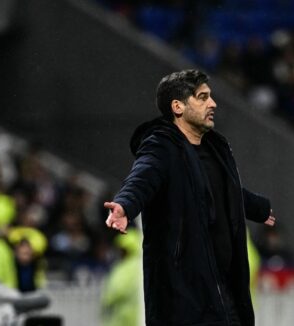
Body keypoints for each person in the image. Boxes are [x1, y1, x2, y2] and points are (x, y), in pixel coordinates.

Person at [104, 69, 276, 326]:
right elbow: (142, 178)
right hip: (184, 299)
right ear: (178, 106)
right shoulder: (161, 146)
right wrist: (125, 205)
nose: (213, 104)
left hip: (224, 295)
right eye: (203, 97)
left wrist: (257, 208)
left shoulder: (214, 149)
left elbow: (220, 189)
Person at [101, 228, 144, 326]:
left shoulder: (123, 268)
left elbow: (114, 292)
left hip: (124, 318)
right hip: (140, 317)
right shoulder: (143, 265)